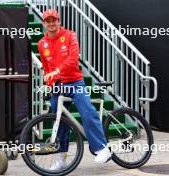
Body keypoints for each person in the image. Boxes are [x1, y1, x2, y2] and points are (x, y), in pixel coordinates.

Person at [37, 9, 111, 170]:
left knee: (87, 112)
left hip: (75, 82)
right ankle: (61, 158)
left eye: (53, 20)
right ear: (44, 23)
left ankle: (102, 148)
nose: (51, 23)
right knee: (59, 121)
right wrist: (49, 81)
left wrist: (57, 71)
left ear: (59, 20)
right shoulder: (41, 44)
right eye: (47, 21)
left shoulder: (70, 35)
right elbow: (46, 66)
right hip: (57, 86)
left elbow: (73, 58)